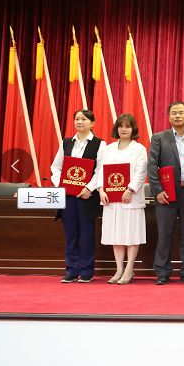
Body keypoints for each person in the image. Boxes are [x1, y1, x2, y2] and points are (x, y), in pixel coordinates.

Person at [148, 101, 184, 285]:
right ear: (169, 117)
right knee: (165, 234)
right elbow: (152, 165)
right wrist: (157, 190)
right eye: (174, 113)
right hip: (166, 192)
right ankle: (162, 272)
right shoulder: (159, 137)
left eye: (181, 112)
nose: (177, 116)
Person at [50, 109, 106, 283]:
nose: (79, 122)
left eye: (84, 119)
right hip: (67, 196)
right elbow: (56, 167)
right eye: (77, 119)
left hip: (87, 196)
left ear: (92, 123)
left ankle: (87, 271)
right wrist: (60, 183)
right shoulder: (66, 143)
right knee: (71, 234)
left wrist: (89, 188)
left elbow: (101, 169)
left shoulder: (100, 144)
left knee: (87, 234)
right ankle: (72, 270)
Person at [98, 114, 147, 285]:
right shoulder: (108, 148)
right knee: (116, 235)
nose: (124, 129)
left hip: (130, 198)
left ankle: (129, 269)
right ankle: (119, 269)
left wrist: (130, 189)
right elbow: (100, 171)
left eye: (127, 126)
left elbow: (141, 172)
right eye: (120, 126)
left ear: (133, 129)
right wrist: (101, 189)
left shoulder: (139, 149)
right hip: (111, 199)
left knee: (131, 234)